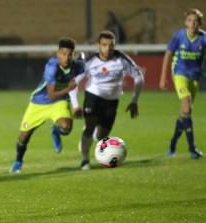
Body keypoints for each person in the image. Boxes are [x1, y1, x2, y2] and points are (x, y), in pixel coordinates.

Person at [10, 38, 83, 173]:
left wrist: (76, 104)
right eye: (63, 54)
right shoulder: (52, 67)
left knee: (66, 128)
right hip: (39, 102)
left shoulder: (78, 66)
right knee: (23, 137)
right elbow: (51, 94)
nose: (66, 58)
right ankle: (18, 161)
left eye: (69, 55)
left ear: (73, 55)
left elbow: (84, 73)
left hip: (59, 102)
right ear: (58, 53)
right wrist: (70, 88)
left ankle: (56, 130)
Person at [73, 30, 144, 170]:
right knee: (89, 126)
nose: (108, 48)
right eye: (104, 45)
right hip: (93, 96)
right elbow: (73, 83)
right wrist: (75, 105)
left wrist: (135, 100)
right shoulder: (90, 62)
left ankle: (94, 141)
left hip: (112, 101)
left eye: (111, 45)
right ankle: (85, 160)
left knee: (101, 136)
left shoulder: (122, 59)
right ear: (98, 45)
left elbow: (139, 77)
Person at [159, 9, 205, 159]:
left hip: (195, 78)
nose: (192, 23)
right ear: (186, 22)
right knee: (186, 104)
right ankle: (192, 149)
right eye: (190, 20)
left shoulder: (203, 39)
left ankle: (172, 144)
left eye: (196, 21)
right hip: (179, 74)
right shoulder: (179, 36)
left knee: (185, 113)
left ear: (200, 23)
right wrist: (163, 77)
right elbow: (168, 54)